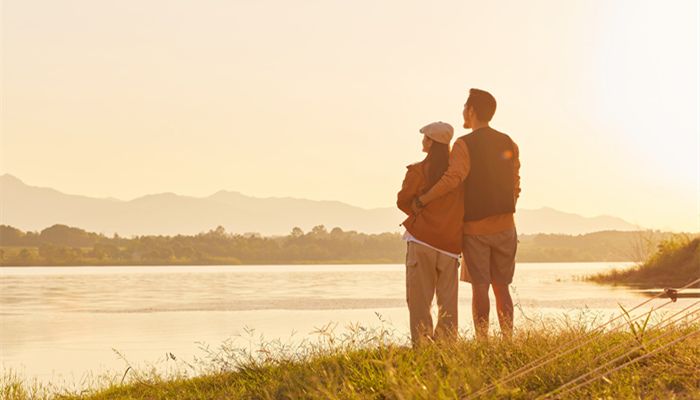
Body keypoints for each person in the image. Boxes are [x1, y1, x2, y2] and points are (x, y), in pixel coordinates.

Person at [414, 89, 521, 340]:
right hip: (507, 226)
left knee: (480, 288)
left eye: (465, 107)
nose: (463, 111)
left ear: (472, 111)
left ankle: (483, 341)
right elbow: (516, 182)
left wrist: (424, 199)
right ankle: (508, 341)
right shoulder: (510, 142)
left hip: (475, 229)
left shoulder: (464, 144)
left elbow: (453, 178)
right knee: (502, 288)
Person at [397, 121, 464, 346]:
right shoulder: (459, 176)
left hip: (422, 241)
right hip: (450, 245)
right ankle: (447, 347)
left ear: (430, 142)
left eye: (425, 137)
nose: (422, 141)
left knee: (419, 301)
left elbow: (403, 201)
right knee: (448, 304)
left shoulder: (417, 171)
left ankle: (423, 347)